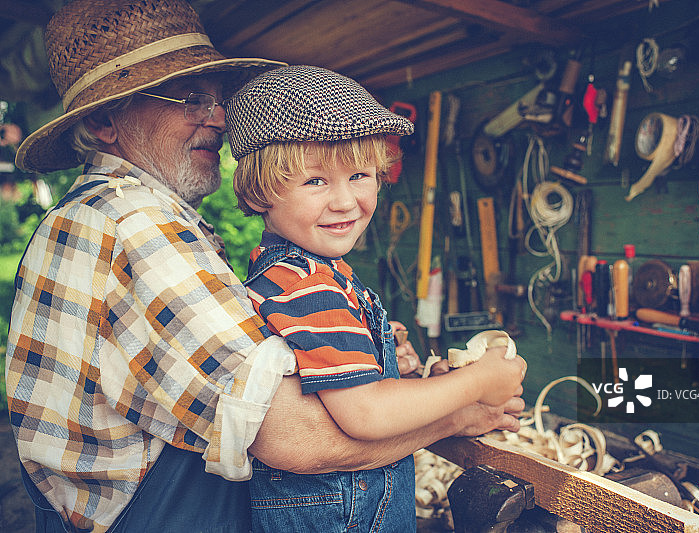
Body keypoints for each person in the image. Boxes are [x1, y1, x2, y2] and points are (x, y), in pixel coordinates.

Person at [6, 1, 526, 532]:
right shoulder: (133, 224)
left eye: (216, 98)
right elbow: (292, 437)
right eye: (191, 99)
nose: (218, 117)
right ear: (103, 120)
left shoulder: (92, 215)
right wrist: (458, 413)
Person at [225, 65, 527, 532]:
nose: (346, 201)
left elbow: (348, 389)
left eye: (360, 175)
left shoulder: (317, 272)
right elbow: (366, 412)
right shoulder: (305, 284)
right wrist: (477, 383)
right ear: (261, 190)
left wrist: (427, 382)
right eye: (315, 181)